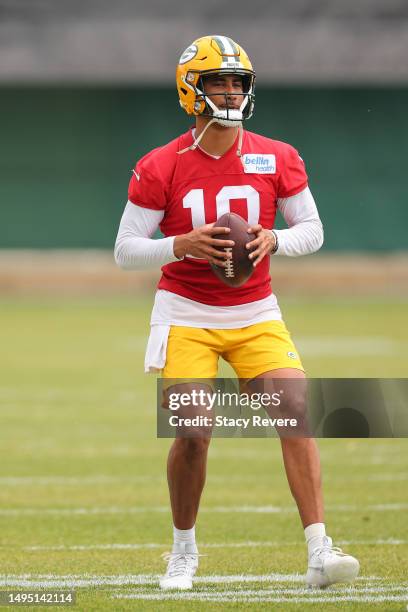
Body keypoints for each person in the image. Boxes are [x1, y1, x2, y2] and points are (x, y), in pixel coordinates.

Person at [114, 35, 359, 591]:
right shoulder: (161, 164)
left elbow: (313, 231)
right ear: (191, 89)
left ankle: (320, 550)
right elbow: (126, 248)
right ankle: (183, 551)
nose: (229, 91)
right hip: (185, 312)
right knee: (194, 433)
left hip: (255, 312)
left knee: (295, 411)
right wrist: (182, 245)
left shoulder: (277, 155)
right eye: (217, 81)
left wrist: (274, 239)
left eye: (237, 81)